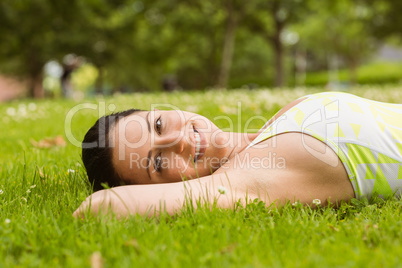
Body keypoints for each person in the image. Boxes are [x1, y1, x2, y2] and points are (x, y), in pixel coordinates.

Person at [74, 92, 402, 218]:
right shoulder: (250, 177)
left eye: (159, 124)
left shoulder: (275, 129)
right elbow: (98, 208)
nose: (177, 140)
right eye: (158, 162)